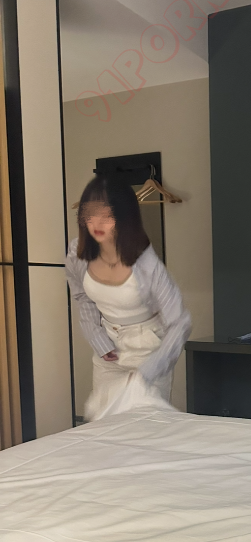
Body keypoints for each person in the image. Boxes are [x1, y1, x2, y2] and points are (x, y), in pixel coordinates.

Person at [65, 173, 192, 421]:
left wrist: (149, 371)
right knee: (104, 426)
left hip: (147, 352)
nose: (97, 223)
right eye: (91, 214)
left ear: (124, 217)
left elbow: (180, 322)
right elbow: (83, 297)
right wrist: (98, 340)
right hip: (108, 350)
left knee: (144, 427)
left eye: (107, 216)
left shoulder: (148, 266)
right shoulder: (77, 253)